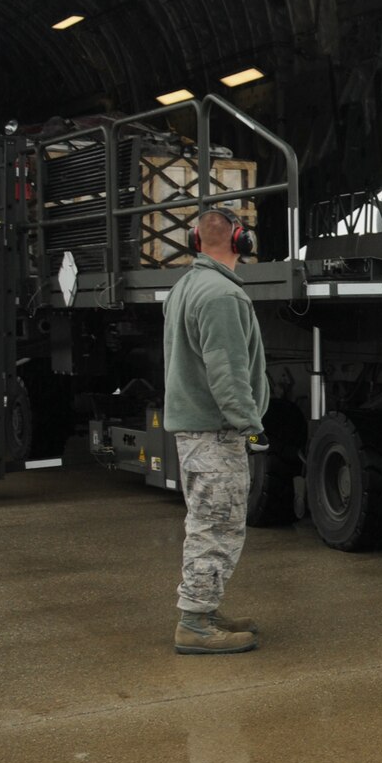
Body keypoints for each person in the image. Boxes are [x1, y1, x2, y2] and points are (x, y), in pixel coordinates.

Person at [162, 204, 269, 654]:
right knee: (217, 525)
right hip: (215, 431)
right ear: (241, 240)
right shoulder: (222, 296)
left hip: (197, 430)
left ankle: (205, 609)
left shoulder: (186, 286)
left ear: (195, 241)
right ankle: (194, 624)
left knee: (208, 521)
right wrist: (251, 425)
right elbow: (227, 373)